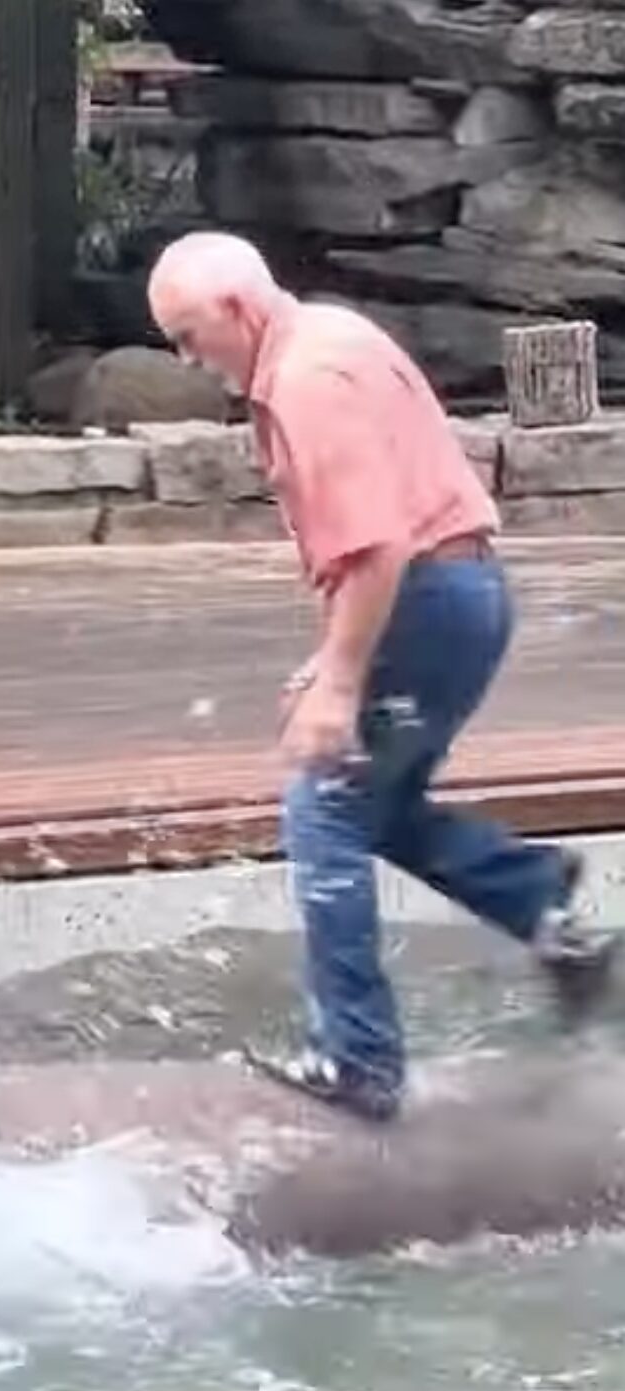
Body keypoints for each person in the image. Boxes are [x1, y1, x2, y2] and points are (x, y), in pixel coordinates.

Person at [148, 231, 617, 1122]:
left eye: (187, 336)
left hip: (430, 600)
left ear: (237, 309)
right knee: (376, 804)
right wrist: (333, 658)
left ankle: (358, 1059)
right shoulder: (330, 334)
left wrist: (338, 683)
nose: (186, 359)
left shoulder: (308, 379)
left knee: (323, 807)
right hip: (460, 597)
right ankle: (536, 906)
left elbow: (377, 546)